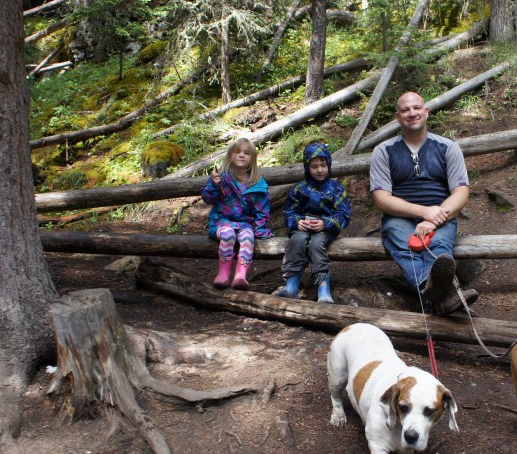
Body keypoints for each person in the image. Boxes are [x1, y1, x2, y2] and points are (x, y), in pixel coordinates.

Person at [369, 91, 478, 315]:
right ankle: (445, 296)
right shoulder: (383, 151)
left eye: (417, 108)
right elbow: (382, 198)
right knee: (404, 245)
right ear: (398, 117)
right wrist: (423, 212)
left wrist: (435, 218)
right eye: (406, 110)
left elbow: (461, 192)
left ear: (426, 112)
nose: (412, 113)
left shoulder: (448, 147)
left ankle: (436, 298)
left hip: (441, 214)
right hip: (399, 217)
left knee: (438, 247)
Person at [274, 142, 351, 303]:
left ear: (329, 164)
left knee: (316, 244)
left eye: (323, 165)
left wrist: (326, 223)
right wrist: (296, 222)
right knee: (297, 240)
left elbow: (343, 213)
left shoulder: (336, 188)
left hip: (325, 229)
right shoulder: (299, 189)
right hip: (303, 227)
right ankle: (291, 285)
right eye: (314, 166)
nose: (320, 170)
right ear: (307, 167)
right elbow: (289, 211)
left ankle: (323, 288)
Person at [201, 138, 271, 290]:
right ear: (230, 156)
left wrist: (260, 228)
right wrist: (213, 185)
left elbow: (262, 210)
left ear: (252, 159)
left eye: (246, 153)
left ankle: (240, 275)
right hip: (221, 221)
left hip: (244, 223)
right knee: (228, 235)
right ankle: (223, 273)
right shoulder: (221, 178)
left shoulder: (256, 183)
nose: (241, 155)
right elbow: (208, 199)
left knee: (247, 237)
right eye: (237, 152)